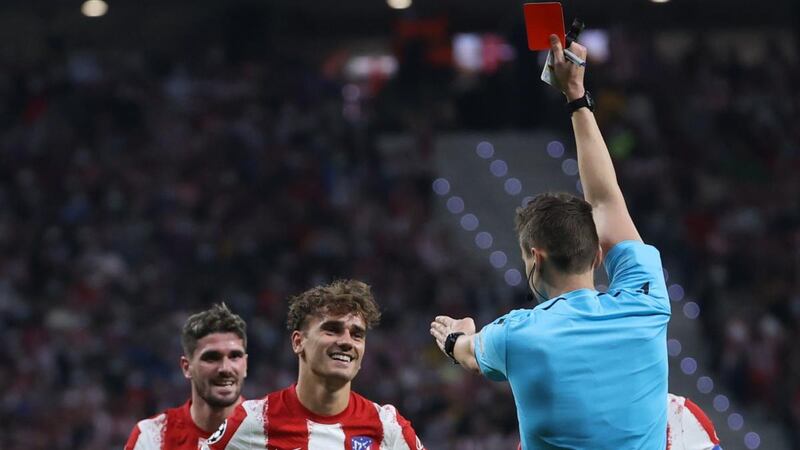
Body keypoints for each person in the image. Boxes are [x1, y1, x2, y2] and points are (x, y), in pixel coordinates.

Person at [430, 35, 673, 449]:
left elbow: (467, 352)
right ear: (598, 255)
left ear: (535, 257)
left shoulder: (516, 335)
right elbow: (606, 197)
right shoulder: (645, 302)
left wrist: (453, 338)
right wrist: (576, 96)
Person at [204, 279, 425, 450]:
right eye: (332, 329)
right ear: (298, 342)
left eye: (357, 334)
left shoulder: (387, 426)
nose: (347, 342)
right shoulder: (253, 421)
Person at [125, 303, 248, 450]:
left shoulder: (272, 432)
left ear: (245, 365)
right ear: (187, 367)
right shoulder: (152, 437)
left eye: (235, 356)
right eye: (211, 358)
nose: (225, 368)